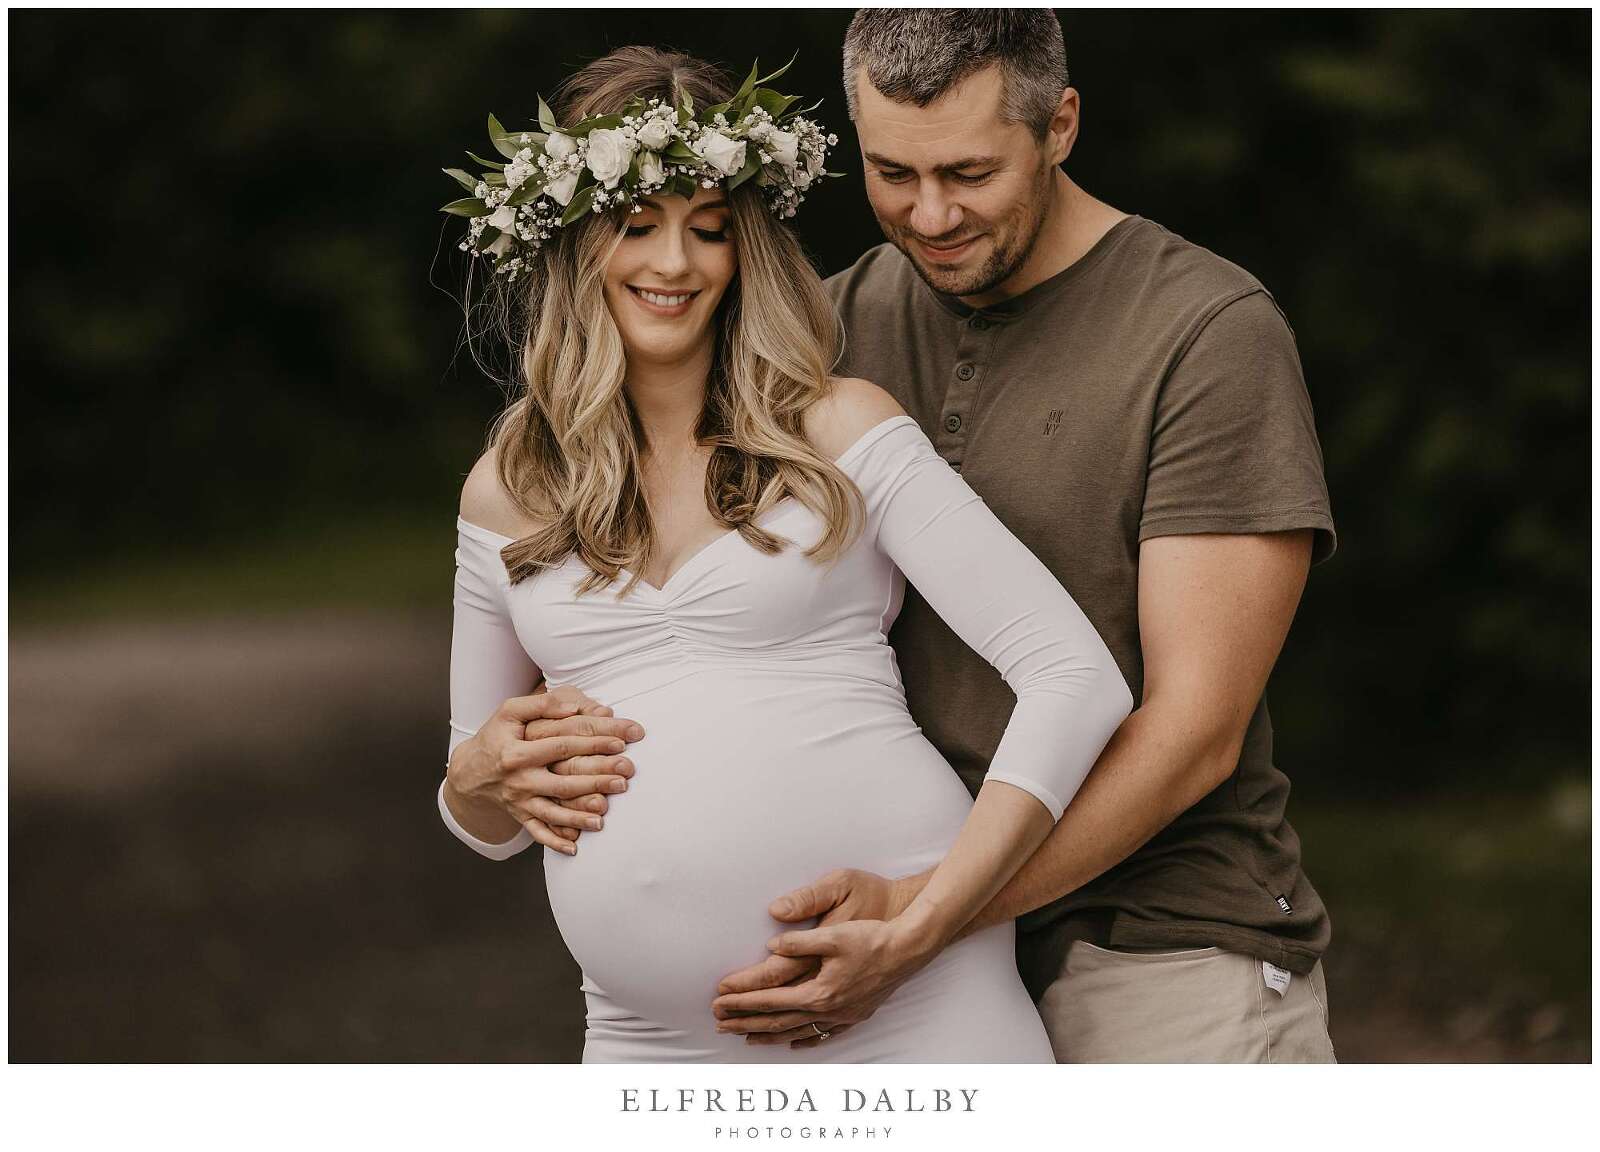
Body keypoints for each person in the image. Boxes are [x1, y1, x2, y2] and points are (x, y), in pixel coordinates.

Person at [435, 45, 1132, 1062]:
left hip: (919, 1012)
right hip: (647, 1047)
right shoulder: (508, 488)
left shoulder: (839, 430)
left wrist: (925, 918)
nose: (674, 265)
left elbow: (1075, 679)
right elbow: (482, 818)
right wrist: (482, 773)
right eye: (636, 227)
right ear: (572, 243)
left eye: (709, 231)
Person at [705, 10, 1341, 1062]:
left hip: (1158, 945)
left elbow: (1192, 734)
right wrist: (496, 752)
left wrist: (930, 911)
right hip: (906, 967)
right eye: (891, 174)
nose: (931, 212)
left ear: (1061, 125)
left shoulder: (1207, 333)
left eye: (968, 171)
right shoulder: (819, 331)